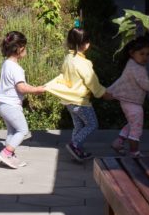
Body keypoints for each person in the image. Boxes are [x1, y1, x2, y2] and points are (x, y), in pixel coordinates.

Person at [44, 25, 110, 162]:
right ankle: (74, 145)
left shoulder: (68, 58)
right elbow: (92, 81)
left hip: (68, 100)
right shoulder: (83, 63)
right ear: (85, 44)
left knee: (79, 126)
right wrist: (102, 93)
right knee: (92, 125)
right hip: (80, 101)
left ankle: (76, 148)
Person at [106, 36, 149, 156]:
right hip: (132, 102)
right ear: (132, 53)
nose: (145, 57)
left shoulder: (132, 63)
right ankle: (135, 152)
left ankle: (118, 142)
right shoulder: (137, 68)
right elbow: (146, 84)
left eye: (148, 54)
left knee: (133, 123)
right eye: (142, 53)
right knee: (136, 128)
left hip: (129, 101)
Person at [0, 31, 46, 169]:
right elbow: (21, 88)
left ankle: (10, 156)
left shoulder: (6, 64)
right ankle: (6, 153)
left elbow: (19, 85)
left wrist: (35, 87)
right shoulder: (17, 68)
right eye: (25, 47)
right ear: (19, 48)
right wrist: (37, 90)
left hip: (3, 106)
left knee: (12, 132)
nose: (26, 50)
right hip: (12, 106)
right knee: (23, 131)